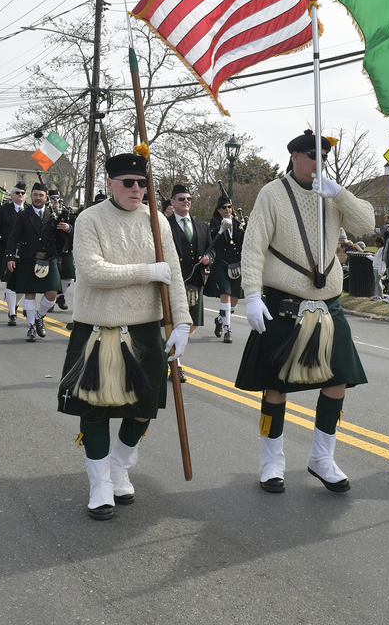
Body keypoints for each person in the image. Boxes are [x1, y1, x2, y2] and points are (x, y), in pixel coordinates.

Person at [236, 130, 376, 494]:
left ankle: (321, 457)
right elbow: (253, 250)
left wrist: (341, 194)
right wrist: (252, 295)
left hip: (327, 306)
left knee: (337, 381)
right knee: (275, 387)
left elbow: (367, 226)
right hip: (285, 303)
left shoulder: (331, 193)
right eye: (313, 156)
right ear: (296, 157)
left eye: (325, 157)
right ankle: (271, 461)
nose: (320, 163)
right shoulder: (272, 193)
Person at [57, 149, 190, 521]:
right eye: (128, 183)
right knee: (95, 409)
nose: (136, 189)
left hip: (146, 327)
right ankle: (99, 482)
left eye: (142, 183)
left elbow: (174, 273)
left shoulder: (159, 222)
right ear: (111, 184)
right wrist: (148, 271)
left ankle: (119, 464)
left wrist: (181, 322)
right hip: (98, 327)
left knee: (144, 408)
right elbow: (93, 271)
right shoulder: (89, 219)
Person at [6, 182, 62, 342]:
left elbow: (62, 238)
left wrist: (67, 230)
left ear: (46, 198)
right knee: (29, 294)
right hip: (29, 258)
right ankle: (30, 328)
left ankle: (39, 317)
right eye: (35, 195)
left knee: (52, 293)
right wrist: (10, 257)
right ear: (31, 196)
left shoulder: (54, 214)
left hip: (49, 258)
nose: (38, 198)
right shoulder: (24, 215)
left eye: (41, 195)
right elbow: (13, 237)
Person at [166, 184, 211, 331]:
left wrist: (209, 258)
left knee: (194, 322)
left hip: (196, 280)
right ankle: (173, 351)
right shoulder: (165, 225)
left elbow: (212, 248)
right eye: (181, 199)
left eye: (189, 199)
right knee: (173, 322)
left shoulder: (202, 225)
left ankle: (176, 351)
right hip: (174, 280)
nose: (186, 201)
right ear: (172, 202)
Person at [206, 194, 245, 343]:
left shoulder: (237, 222)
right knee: (226, 296)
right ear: (219, 210)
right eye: (224, 207)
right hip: (221, 264)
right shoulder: (214, 223)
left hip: (236, 263)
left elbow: (242, 243)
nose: (227, 209)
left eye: (229, 207)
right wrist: (221, 229)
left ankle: (221, 319)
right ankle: (228, 329)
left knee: (234, 298)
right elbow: (210, 240)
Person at [0, 184, 27, 326]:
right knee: (10, 279)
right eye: (17, 193)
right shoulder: (3, 210)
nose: (20, 195)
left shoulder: (30, 210)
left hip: (26, 251)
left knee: (22, 283)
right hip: (8, 248)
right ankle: (12, 313)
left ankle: (14, 305)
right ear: (12, 195)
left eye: (22, 193)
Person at [50, 190, 75, 310]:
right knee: (52, 277)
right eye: (52, 198)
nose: (55, 200)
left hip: (66, 248)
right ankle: (50, 299)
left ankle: (60, 295)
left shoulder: (67, 212)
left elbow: (76, 226)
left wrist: (69, 228)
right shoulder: (45, 212)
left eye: (57, 198)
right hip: (51, 249)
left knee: (68, 274)